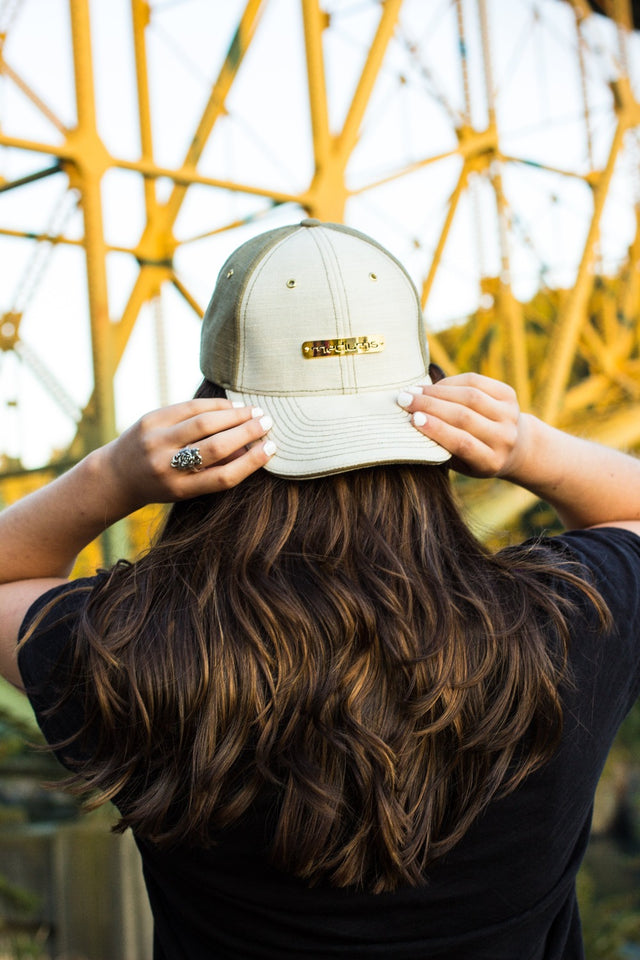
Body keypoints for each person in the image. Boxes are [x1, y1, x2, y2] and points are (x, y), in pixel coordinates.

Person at [0, 219, 639, 960]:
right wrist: (530, 447)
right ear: (433, 414)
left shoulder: (133, 653)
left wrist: (110, 476)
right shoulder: (567, 628)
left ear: (215, 415)